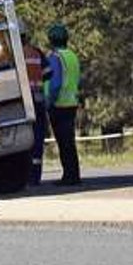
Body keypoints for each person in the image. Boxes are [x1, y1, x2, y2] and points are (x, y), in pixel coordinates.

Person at [44, 22, 82, 186]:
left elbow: (56, 83)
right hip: (71, 103)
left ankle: (69, 177)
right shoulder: (72, 56)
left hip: (59, 105)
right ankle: (74, 174)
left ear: (51, 40)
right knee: (69, 142)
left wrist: (49, 102)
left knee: (64, 143)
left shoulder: (55, 57)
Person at [19, 24, 48, 184]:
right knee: (37, 137)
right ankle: (35, 177)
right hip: (37, 99)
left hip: (21, 102)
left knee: (23, 138)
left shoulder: (11, 54)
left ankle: (24, 175)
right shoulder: (36, 52)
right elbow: (48, 73)